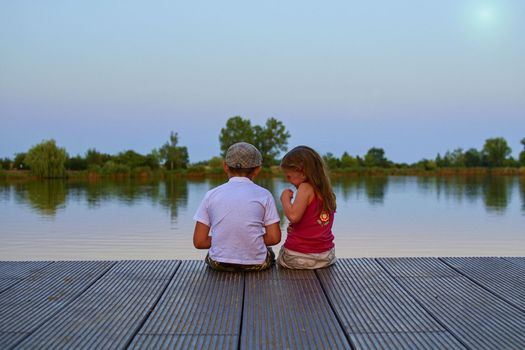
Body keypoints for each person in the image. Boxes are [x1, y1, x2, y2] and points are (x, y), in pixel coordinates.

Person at [193, 142, 281, 272]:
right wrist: (249, 241)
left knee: (214, 253)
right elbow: (274, 238)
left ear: (225, 166)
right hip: (255, 264)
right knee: (268, 251)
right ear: (257, 169)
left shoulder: (211, 195)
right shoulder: (264, 195)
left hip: (219, 263)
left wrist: (224, 241)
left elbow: (199, 241)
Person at [277, 145, 337, 269]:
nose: (288, 180)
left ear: (303, 172)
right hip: (326, 256)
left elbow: (293, 216)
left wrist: (284, 199)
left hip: (299, 257)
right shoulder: (327, 192)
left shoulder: (305, 187)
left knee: (278, 256)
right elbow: (314, 224)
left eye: (289, 176)